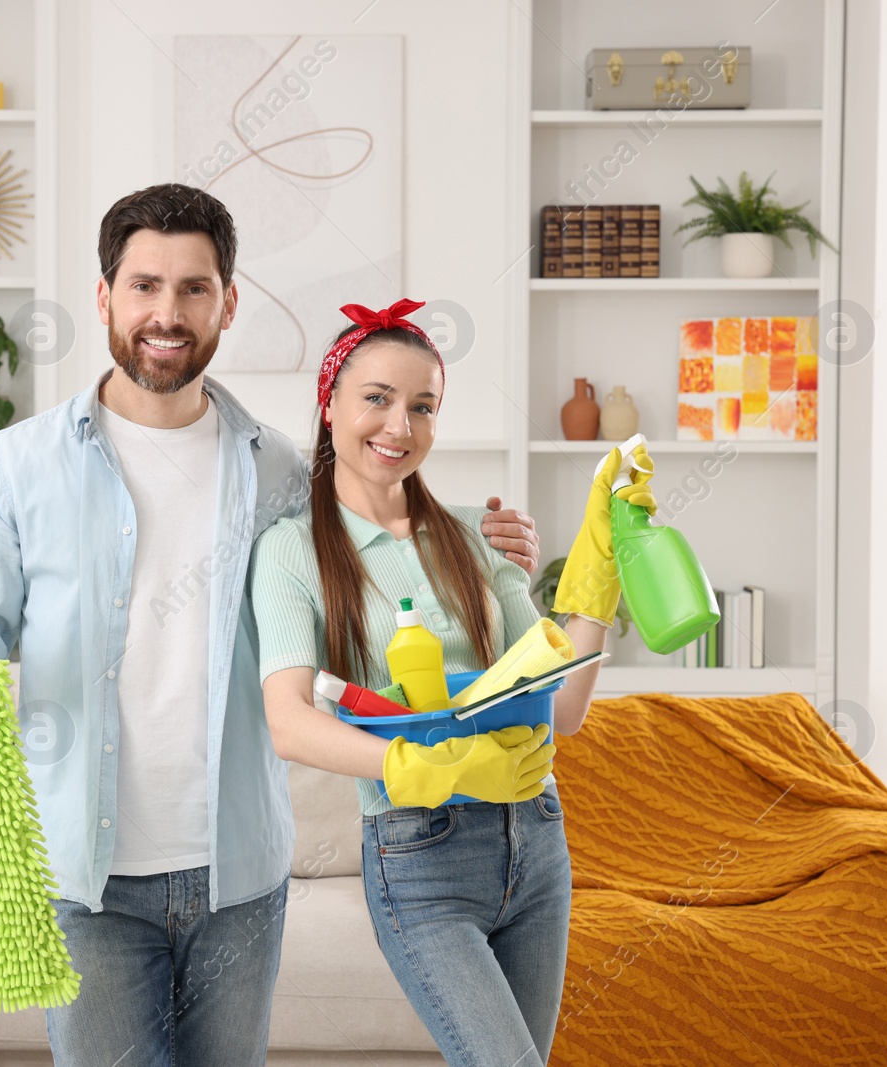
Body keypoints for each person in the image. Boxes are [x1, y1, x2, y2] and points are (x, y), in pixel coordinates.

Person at [0, 185, 548, 1067]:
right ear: (104, 298)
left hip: (238, 878)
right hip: (84, 885)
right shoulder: (17, 465)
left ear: (228, 302)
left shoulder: (278, 470)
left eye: (193, 289)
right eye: (143, 286)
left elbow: (377, 530)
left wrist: (490, 538)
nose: (166, 314)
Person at [250, 298, 654, 1066]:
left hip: (536, 839)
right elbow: (288, 720)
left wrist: (600, 570)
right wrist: (418, 764)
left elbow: (562, 708)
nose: (400, 426)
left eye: (423, 406)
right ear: (329, 404)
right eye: (377, 398)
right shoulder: (291, 552)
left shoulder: (476, 534)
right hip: (420, 854)